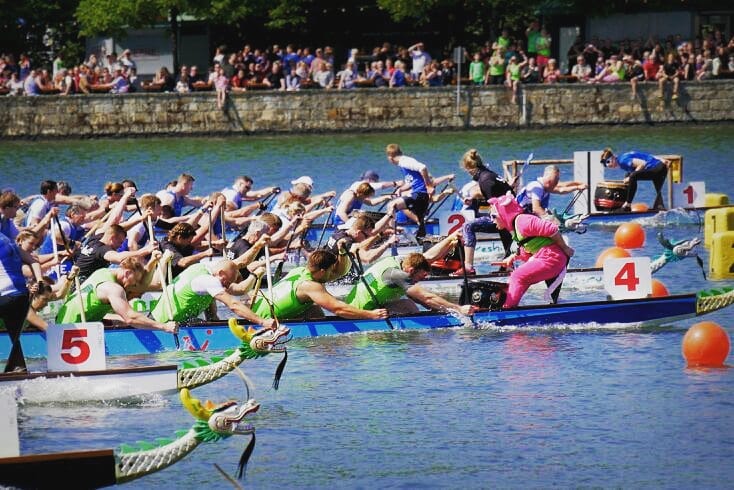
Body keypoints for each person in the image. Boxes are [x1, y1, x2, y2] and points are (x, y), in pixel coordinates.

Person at [252, 249, 389, 321]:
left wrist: (342, 253)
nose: (332, 275)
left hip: (256, 312)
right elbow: (338, 310)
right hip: (266, 322)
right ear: (322, 271)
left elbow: (339, 273)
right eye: (330, 271)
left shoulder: (298, 271)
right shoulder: (311, 286)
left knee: (314, 309)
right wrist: (370, 315)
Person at [490, 192, 574, 308]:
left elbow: (552, 229)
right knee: (519, 279)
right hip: (546, 257)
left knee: (517, 276)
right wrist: (513, 257)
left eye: (493, 216)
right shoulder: (516, 227)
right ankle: (508, 307)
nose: (492, 221)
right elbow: (528, 251)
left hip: (552, 257)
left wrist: (565, 248)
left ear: (504, 214)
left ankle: (508, 309)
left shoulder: (523, 221)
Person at [55, 256, 177, 334]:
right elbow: (131, 318)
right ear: (128, 272)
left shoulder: (103, 272)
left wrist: (153, 261)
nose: (134, 285)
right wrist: (164, 327)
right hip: (72, 330)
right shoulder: (114, 289)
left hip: (61, 322)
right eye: (134, 282)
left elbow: (146, 284)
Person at [150, 258, 276, 329]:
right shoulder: (209, 280)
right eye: (226, 282)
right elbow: (233, 304)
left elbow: (212, 314)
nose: (226, 286)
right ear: (221, 273)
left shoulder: (199, 267)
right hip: (161, 325)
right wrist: (262, 322)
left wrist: (215, 322)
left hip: (166, 320)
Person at [344, 250, 476, 316]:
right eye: (422, 275)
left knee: (410, 302)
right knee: (409, 307)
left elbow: (417, 297)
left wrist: (439, 309)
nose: (423, 279)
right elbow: (427, 297)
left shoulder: (397, 262)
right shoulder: (398, 275)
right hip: (359, 312)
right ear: (412, 270)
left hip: (361, 304)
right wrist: (458, 309)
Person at [454, 149, 516, 276]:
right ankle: (509, 266)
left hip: (506, 217)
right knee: (500, 229)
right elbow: (497, 195)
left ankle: (468, 267)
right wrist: (474, 200)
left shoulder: (485, 180)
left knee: (467, 226)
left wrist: (497, 220)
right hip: (511, 214)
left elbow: (494, 204)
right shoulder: (489, 174)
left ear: (469, 168)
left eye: (467, 171)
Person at [1, 232, 44, 373]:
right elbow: (34, 261)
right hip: (21, 297)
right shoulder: (9, 240)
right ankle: (19, 368)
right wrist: (39, 280)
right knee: (15, 335)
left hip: (5, 295)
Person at [384, 144, 435, 238]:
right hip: (419, 194)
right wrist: (400, 189)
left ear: (390, 157)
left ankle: (393, 237)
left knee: (391, 205)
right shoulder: (404, 163)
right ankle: (421, 240)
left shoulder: (404, 161)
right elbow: (410, 183)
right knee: (421, 222)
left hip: (420, 194)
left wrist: (428, 185)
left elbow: (423, 167)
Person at [599, 147, 670, 211]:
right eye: (606, 165)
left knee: (632, 176)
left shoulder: (622, 161)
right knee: (629, 175)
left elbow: (642, 164)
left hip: (657, 169)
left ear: (613, 157)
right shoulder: (622, 158)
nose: (609, 165)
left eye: (608, 162)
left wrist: (630, 177)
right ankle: (660, 206)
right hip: (659, 167)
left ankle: (628, 204)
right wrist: (661, 159)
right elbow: (646, 156)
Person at [516, 165, 587, 220]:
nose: (556, 182)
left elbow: (561, 189)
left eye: (557, 179)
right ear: (548, 178)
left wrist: (578, 185)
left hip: (527, 217)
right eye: (555, 179)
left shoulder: (546, 186)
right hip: (518, 217)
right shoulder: (537, 187)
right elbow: (536, 209)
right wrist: (553, 221)